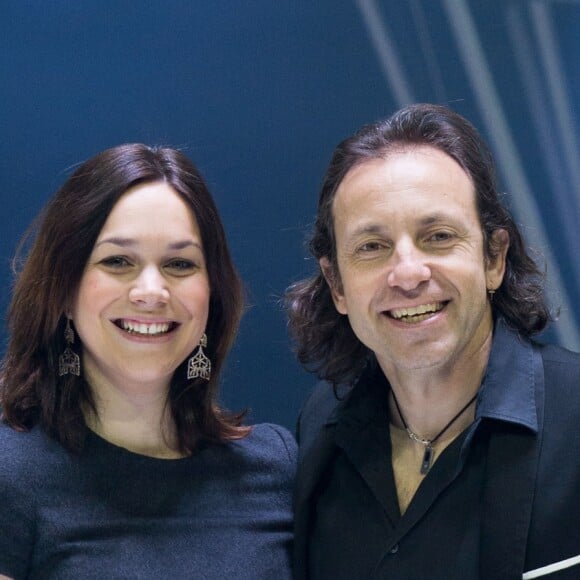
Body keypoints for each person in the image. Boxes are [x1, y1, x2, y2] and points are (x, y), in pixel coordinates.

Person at [286, 103, 580, 579]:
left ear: (494, 259)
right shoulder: (320, 428)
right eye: (372, 247)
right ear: (336, 285)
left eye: (438, 236)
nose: (407, 274)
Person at [0, 144, 296, 579]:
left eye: (179, 264)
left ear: (212, 295)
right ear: (63, 291)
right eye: (118, 261)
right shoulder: (10, 473)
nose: (152, 291)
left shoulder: (276, 467)